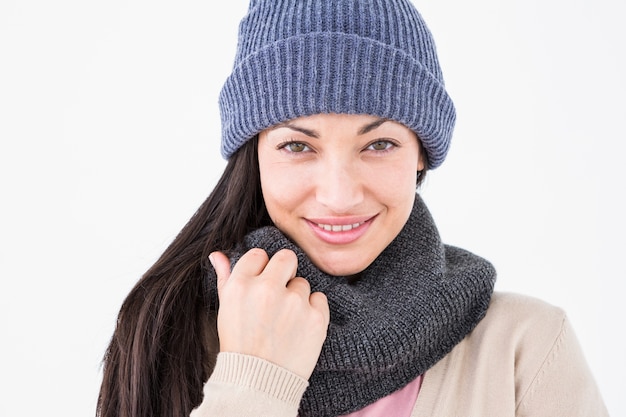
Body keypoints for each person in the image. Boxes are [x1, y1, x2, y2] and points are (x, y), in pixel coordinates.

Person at [97, 0, 609, 416]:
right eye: (298, 146)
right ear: (254, 158)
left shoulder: (526, 350)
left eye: (379, 144)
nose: (338, 195)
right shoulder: (166, 337)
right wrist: (253, 383)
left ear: (421, 158)